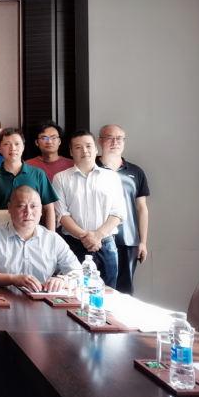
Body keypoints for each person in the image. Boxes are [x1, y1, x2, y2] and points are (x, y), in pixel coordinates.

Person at [52, 130, 127, 289]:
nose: (84, 151)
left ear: (96, 149)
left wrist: (97, 236)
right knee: (73, 292)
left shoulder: (111, 177)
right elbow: (62, 214)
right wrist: (85, 237)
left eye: (88, 146)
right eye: (78, 147)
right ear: (71, 152)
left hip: (105, 244)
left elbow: (118, 212)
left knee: (107, 294)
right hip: (73, 245)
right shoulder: (60, 178)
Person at [0, 186, 81, 292]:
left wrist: (63, 281)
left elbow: (79, 273)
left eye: (34, 206)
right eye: (21, 205)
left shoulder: (53, 240)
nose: (28, 212)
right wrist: (13, 279)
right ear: (10, 208)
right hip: (3, 299)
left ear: (41, 210)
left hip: (42, 301)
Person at [96, 125, 150, 295]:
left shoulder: (136, 172)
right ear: (100, 141)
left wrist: (142, 242)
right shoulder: (92, 168)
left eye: (119, 138)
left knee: (125, 290)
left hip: (128, 239)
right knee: (96, 288)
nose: (115, 142)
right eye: (109, 138)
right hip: (98, 238)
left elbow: (142, 208)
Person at [0, 128, 58, 229]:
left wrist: (51, 235)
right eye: (7, 144)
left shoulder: (38, 174)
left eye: (17, 144)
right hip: (1, 234)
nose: (12, 148)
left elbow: (49, 208)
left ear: (23, 147)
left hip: (32, 233)